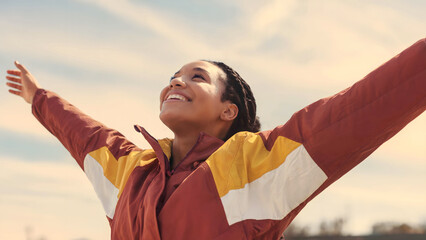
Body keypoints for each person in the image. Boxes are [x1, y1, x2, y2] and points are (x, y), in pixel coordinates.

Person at [5, 38, 425, 240]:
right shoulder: (129, 170)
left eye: (197, 77)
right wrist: (37, 97)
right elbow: (84, 134)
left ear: (229, 111)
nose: (176, 80)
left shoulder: (253, 166)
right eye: (174, 75)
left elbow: (361, 110)